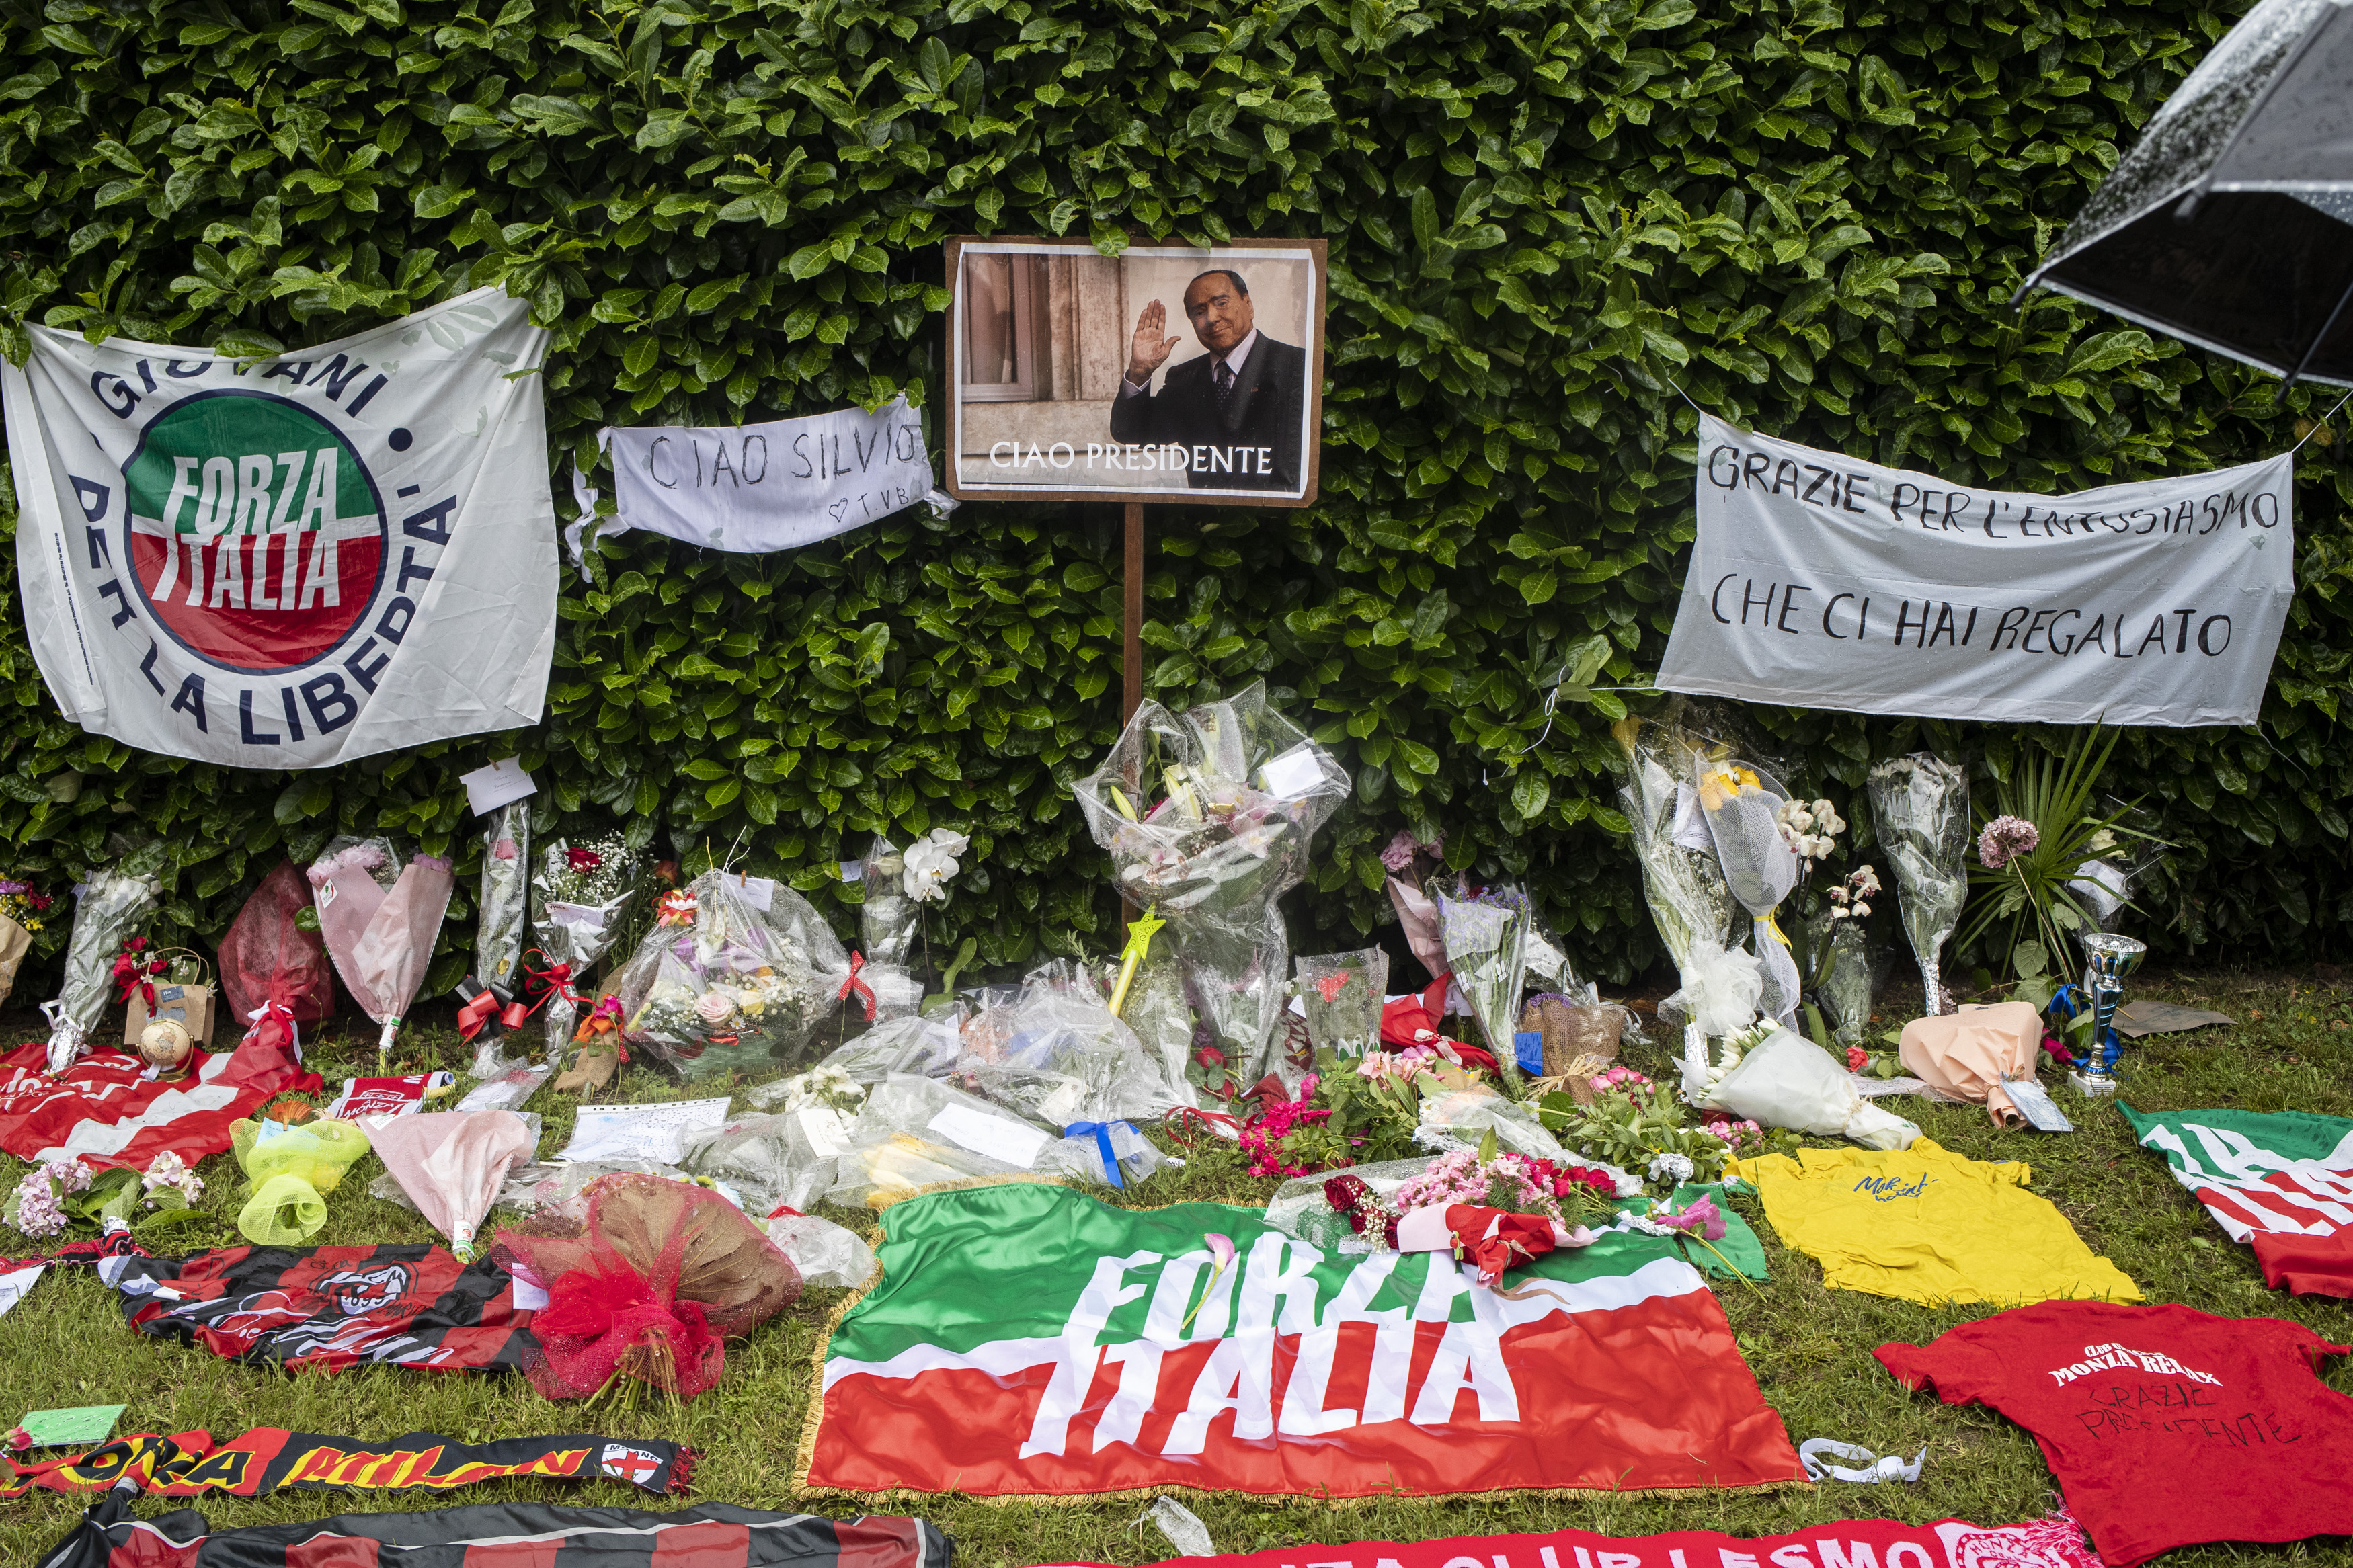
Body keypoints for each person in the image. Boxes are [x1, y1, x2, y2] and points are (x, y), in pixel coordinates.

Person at [1109, 268, 1307, 493]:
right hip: (1204, 520)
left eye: (1222, 303)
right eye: (1199, 311)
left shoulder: (1297, 365)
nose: (1211, 318)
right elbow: (1131, 433)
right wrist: (1139, 372)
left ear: (1248, 304)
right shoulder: (1184, 378)